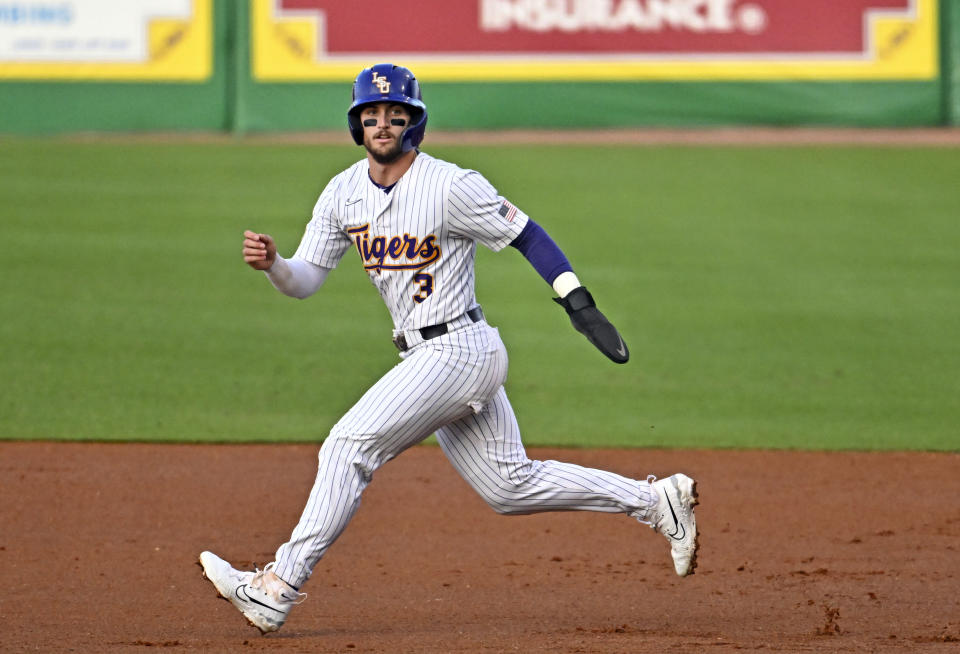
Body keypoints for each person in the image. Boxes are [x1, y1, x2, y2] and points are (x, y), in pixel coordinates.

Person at [199, 63, 699, 634]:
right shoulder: (342, 193)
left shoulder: (451, 185)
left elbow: (528, 234)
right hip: (428, 358)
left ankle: (278, 585)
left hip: (458, 350)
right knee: (509, 486)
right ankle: (657, 501)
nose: (382, 125)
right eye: (371, 116)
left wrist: (577, 300)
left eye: (394, 116)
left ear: (414, 122)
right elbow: (305, 279)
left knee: (347, 446)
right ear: (357, 124)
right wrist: (274, 266)